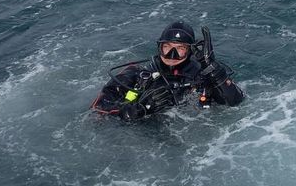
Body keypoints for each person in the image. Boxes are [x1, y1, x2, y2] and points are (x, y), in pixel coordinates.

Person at [90, 21, 245, 121]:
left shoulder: (202, 77)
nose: (172, 55)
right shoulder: (137, 74)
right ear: (159, 48)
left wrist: (213, 69)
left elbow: (236, 103)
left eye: (180, 49)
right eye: (167, 47)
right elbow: (98, 109)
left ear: (190, 51)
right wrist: (133, 111)